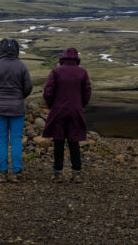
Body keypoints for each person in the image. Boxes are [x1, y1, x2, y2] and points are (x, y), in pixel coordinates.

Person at [0, 38, 32, 183]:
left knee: (2, 140)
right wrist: (19, 97)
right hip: (17, 108)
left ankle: (2, 173)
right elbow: (28, 87)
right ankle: (17, 172)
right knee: (16, 140)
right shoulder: (22, 66)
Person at [43, 48, 92, 183]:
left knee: (58, 142)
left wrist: (52, 105)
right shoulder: (82, 72)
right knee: (74, 142)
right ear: (76, 58)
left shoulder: (56, 71)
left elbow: (48, 92)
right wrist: (79, 105)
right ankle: (77, 173)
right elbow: (87, 92)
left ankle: (57, 173)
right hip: (75, 110)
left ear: (62, 58)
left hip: (58, 111)